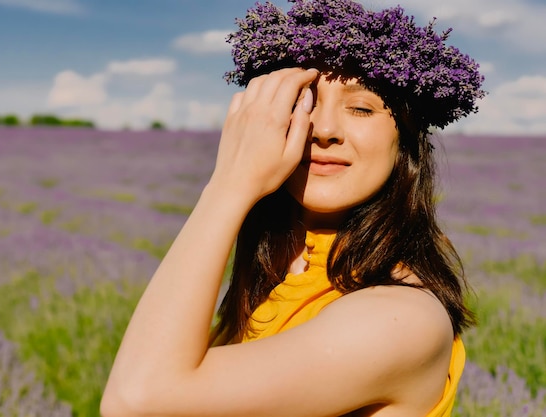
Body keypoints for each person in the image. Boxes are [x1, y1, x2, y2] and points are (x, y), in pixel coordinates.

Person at [101, 1, 485, 416]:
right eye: (303, 103)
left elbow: (136, 402)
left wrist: (229, 185)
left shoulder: (400, 318)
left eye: (360, 107)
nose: (323, 130)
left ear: (405, 142)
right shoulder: (281, 265)